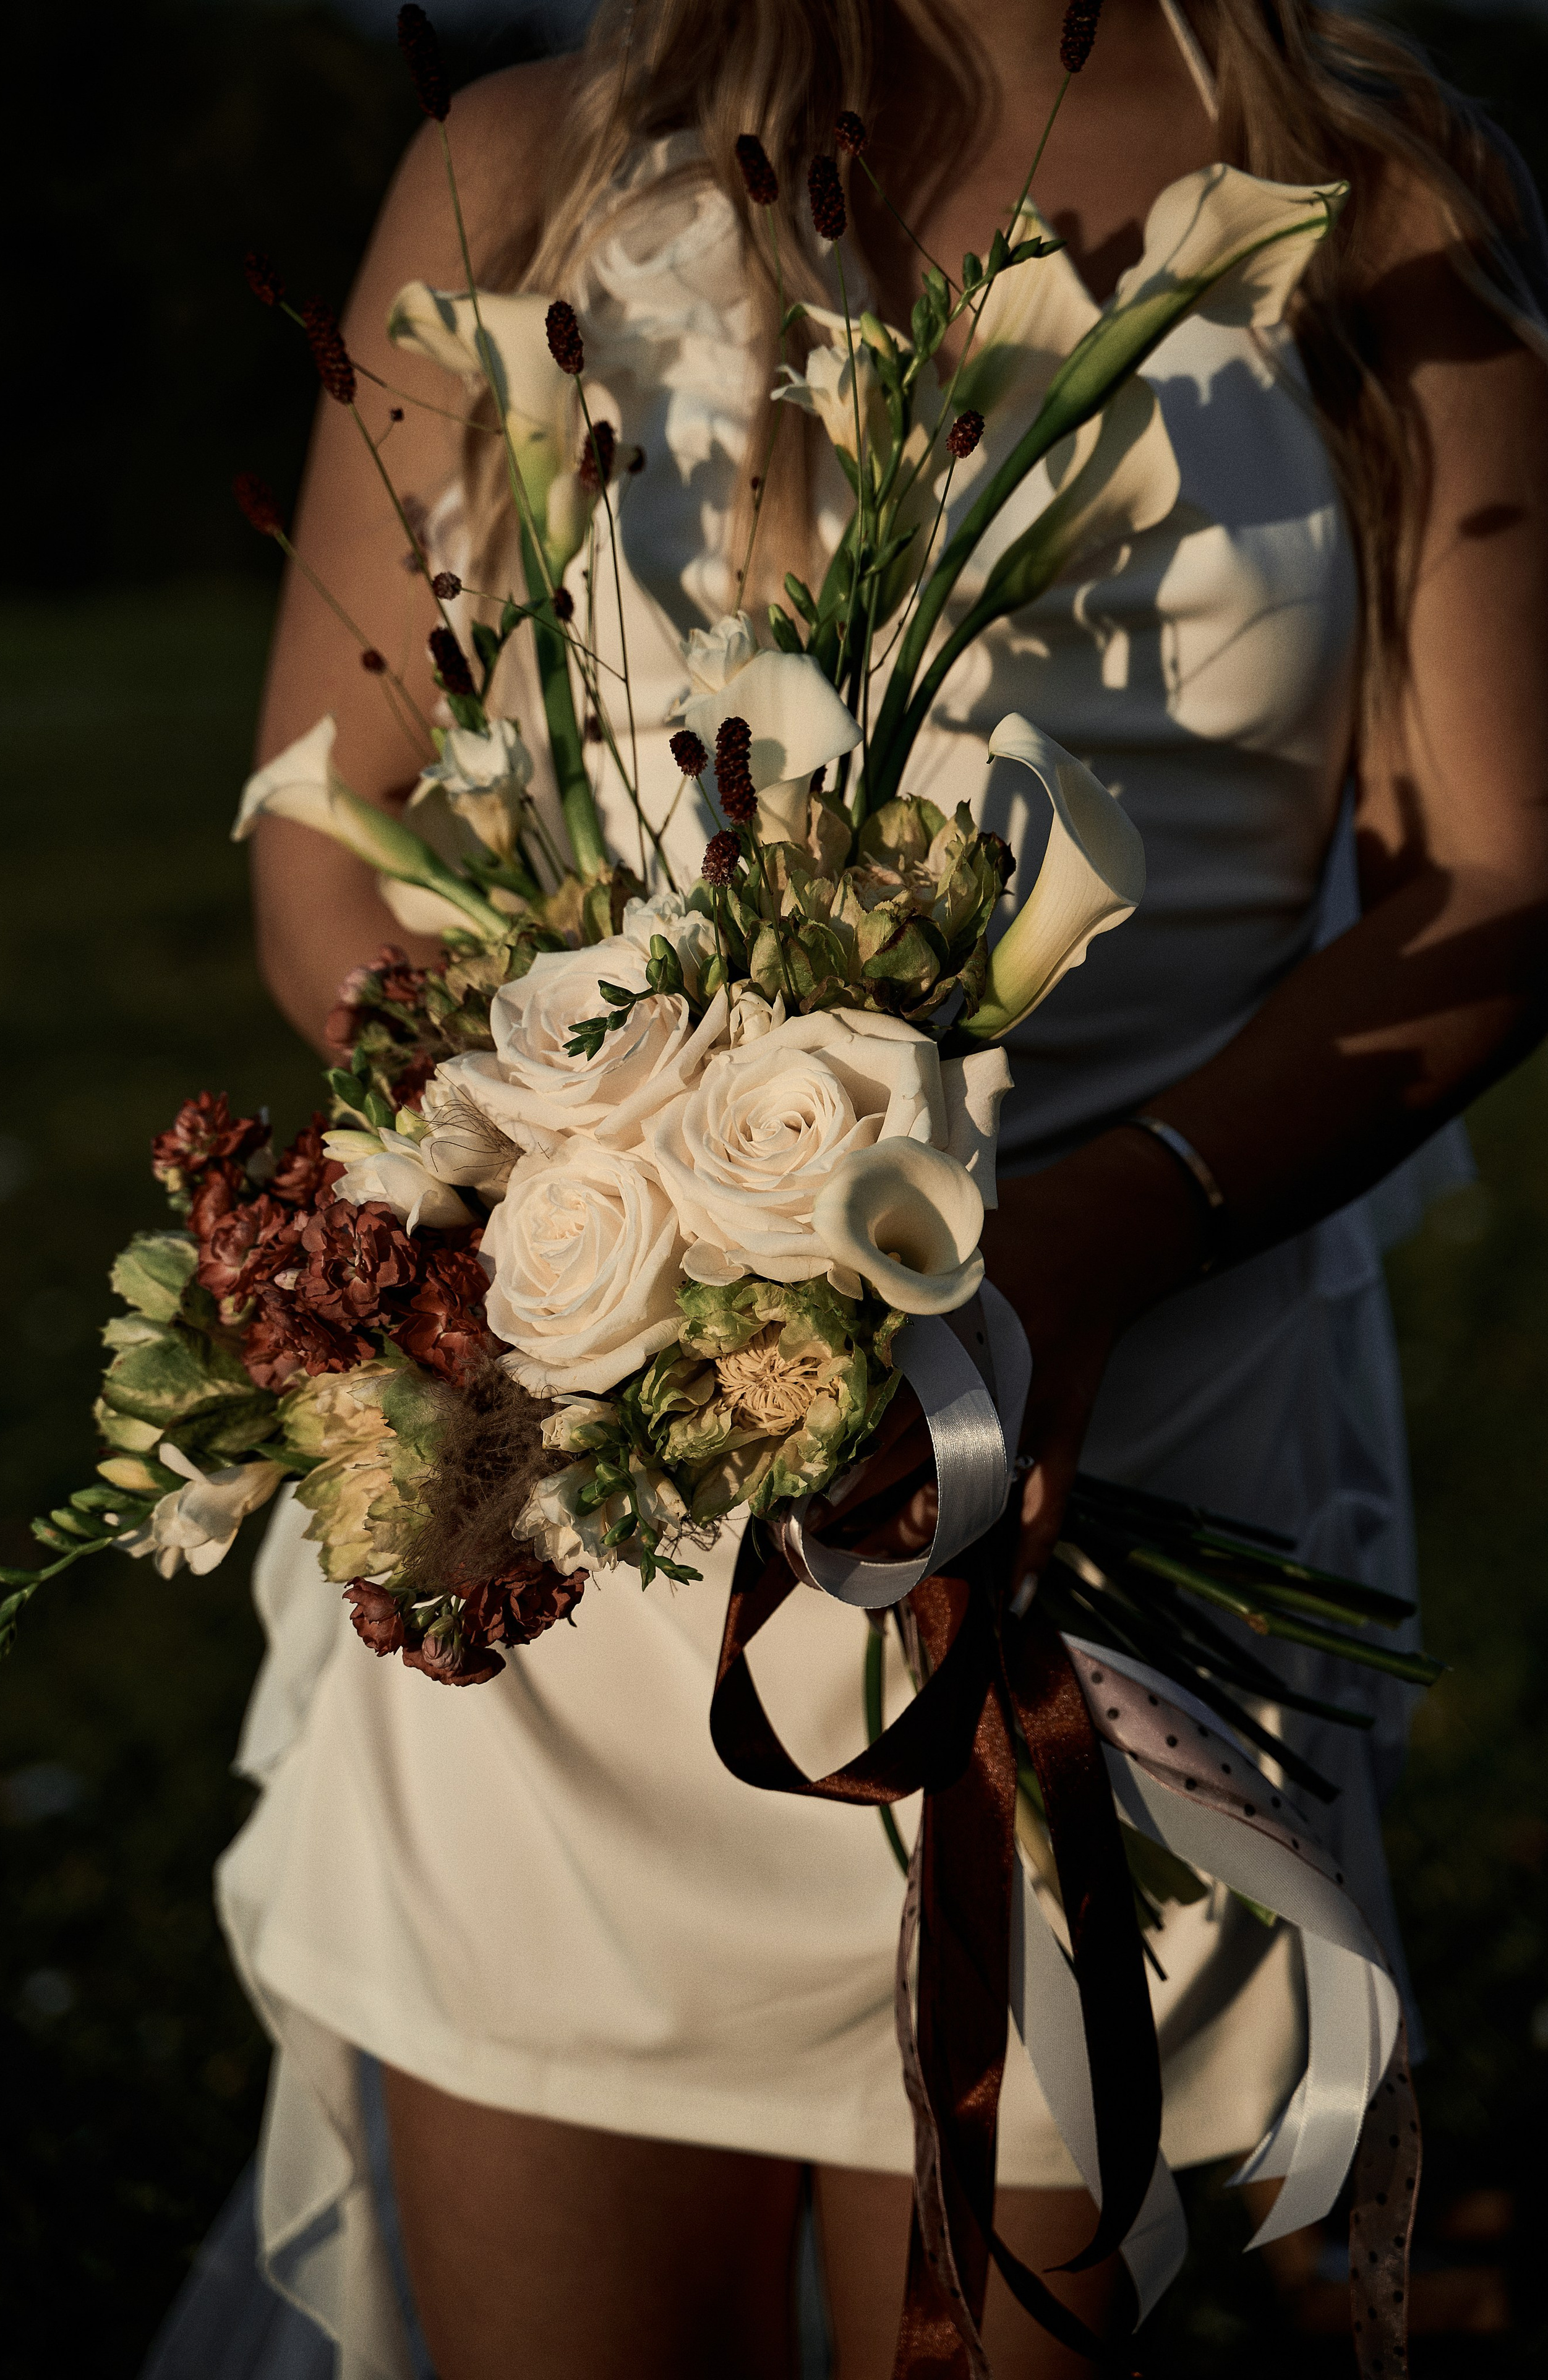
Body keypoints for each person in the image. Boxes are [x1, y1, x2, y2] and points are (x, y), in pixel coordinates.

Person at [221, 2, 1548, 2374]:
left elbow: (1500, 876)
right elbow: (343, 842)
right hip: (577, 1549)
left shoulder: (1385, 182)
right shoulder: (520, 168)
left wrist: (1088, 1243)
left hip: (1116, 1524)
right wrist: (570, 1199)